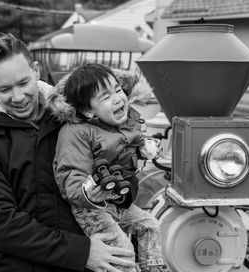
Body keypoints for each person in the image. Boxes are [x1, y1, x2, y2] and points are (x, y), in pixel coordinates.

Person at [0, 33, 137, 272]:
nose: (18, 96)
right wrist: (81, 252)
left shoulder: (74, 115)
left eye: (23, 83)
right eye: (4, 89)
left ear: (36, 70)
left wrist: (124, 191)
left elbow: (121, 161)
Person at [49, 63, 166, 272]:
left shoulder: (123, 123)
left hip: (117, 202)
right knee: (123, 251)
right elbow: (70, 173)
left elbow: (129, 146)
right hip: (92, 208)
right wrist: (88, 193)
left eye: (118, 90)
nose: (117, 98)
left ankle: (153, 268)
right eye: (105, 97)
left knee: (150, 225)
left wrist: (144, 148)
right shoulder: (75, 132)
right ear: (87, 110)